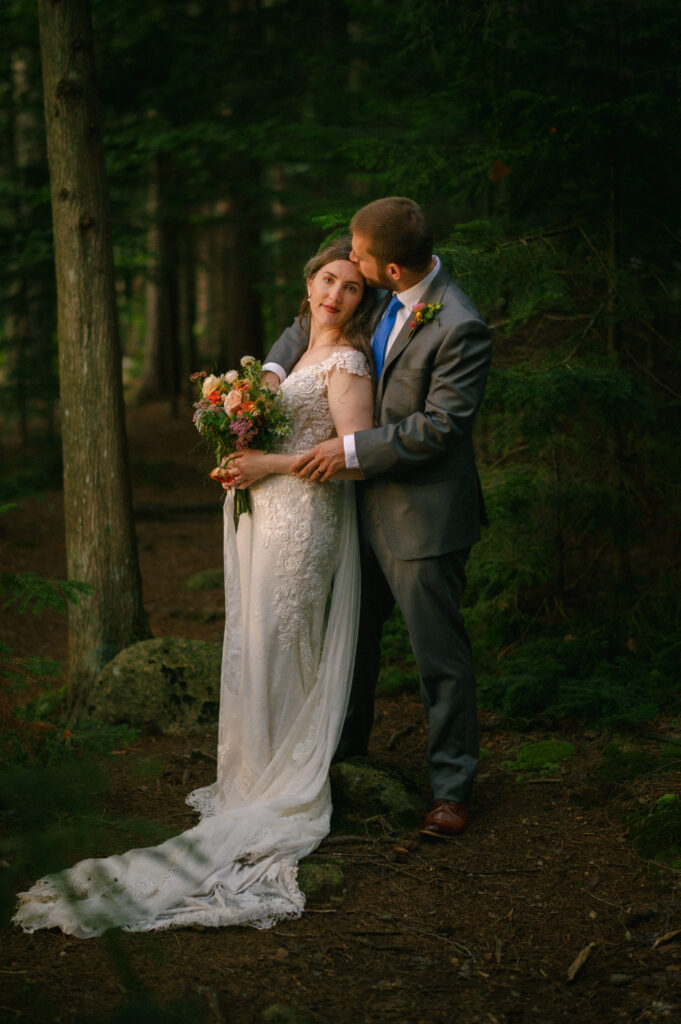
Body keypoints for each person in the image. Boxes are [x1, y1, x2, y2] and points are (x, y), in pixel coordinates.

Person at [13, 239, 375, 936]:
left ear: (361, 302)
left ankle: (284, 777)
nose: (335, 294)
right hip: (267, 513)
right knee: (256, 637)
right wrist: (237, 457)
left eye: (351, 289)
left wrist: (266, 462)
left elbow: (353, 457)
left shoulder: (347, 361)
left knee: (285, 636)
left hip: (305, 519)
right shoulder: (293, 353)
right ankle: (251, 768)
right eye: (328, 280)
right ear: (309, 283)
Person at [264, 197, 492, 839]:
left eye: (359, 259)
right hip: (349, 510)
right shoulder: (371, 293)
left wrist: (352, 448)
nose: (348, 266)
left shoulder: (460, 324)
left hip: (424, 519)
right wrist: (275, 373)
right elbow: (307, 318)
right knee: (351, 641)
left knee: (437, 656)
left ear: (392, 270)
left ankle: (451, 789)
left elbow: (443, 425)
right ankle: (344, 759)